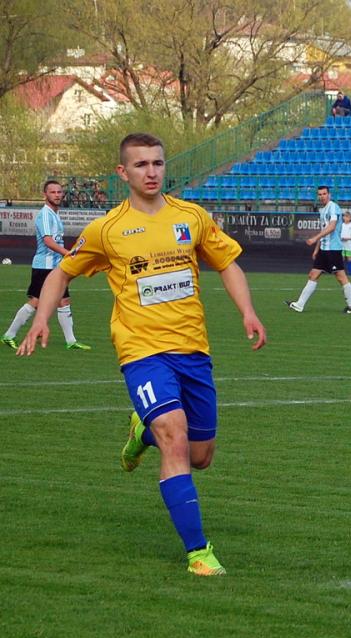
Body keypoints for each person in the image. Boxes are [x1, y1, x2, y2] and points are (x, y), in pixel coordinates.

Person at [16, 133, 267, 575]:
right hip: (141, 351)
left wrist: (247, 311)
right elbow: (61, 273)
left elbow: (227, 263)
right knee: (174, 435)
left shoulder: (192, 217)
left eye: (157, 163)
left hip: (193, 349)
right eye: (141, 165)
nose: (151, 172)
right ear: (123, 172)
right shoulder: (108, 229)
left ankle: (141, 431)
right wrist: (41, 319)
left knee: (201, 456)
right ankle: (198, 553)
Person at [2, 181, 91, 351]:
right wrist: (68, 253)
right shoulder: (44, 214)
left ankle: (71, 341)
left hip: (55, 266)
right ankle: (9, 335)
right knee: (36, 301)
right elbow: (48, 241)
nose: (57, 195)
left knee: (63, 301)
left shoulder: (54, 214)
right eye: (53, 192)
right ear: (45, 195)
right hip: (44, 266)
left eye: (59, 192)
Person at [285, 186, 351, 314]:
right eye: (319, 194)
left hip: (333, 249)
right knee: (313, 275)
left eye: (324, 194)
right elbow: (324, 231)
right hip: (324, 249)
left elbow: (332, 227)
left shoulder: (333, 207)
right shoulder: (323, 210)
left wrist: (314, 238)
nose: (322, 196)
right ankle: (299, 305)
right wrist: (316, 249)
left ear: (329, 194)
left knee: (341, 277)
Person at [341, 210, 351, 276]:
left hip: (348, 245)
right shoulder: (341, 225)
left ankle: (350, 273)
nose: (346, 218)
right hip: (341, 245)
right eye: (345, 216)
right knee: (341, 258)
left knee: (349, 258)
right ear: (343, 217)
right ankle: (341, 272)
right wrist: (340, 238)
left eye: (348, 217)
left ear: (350, 218)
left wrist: (347, 238)